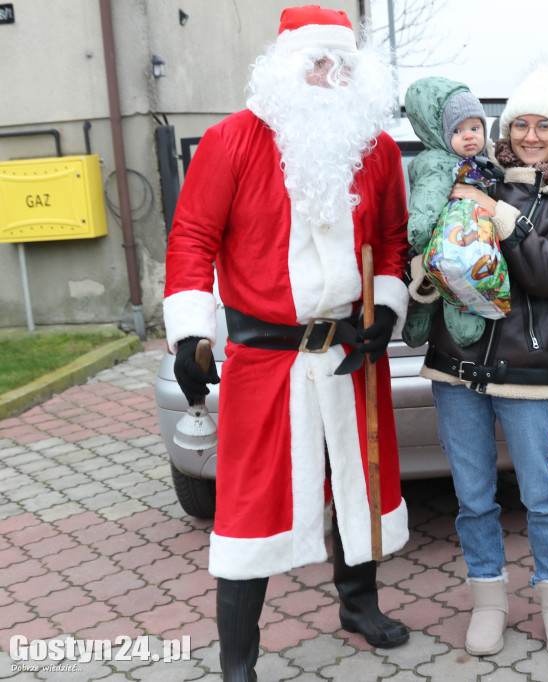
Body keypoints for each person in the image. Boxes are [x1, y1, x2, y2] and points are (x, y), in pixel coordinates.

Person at [162, 6, 411, 678]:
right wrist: (189, 334)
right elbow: (191, 239)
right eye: (317, 62)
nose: (330, 76)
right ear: (287, 67)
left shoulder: (376, 147)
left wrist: (385, 313)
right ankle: (238, 657)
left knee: (358, 485)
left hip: (348, 351)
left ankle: (359, 605)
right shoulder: (233, 141)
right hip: (265, 359)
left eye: (342, 65)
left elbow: (391, 241)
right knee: (248, 504)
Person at [419, 66, 548, 658]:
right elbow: (435, 245)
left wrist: (500, 216)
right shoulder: (471, 172)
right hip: (457, 366)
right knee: (473, 495)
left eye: (543, 125)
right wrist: (427, 268)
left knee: (542, 494)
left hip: (527, 370)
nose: (529, 135)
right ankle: (489, 601)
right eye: (520, 123)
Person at [403, 77, 503, 348]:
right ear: (439, 133)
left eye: (475, 126)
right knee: (450, 288)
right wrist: (422, 232)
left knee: (455, 280)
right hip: (444, 245)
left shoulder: (485, 162)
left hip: (473, 243)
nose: (469, 135)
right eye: (458, 131)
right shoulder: (438, 164)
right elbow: (427, 198)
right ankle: (429, 318)